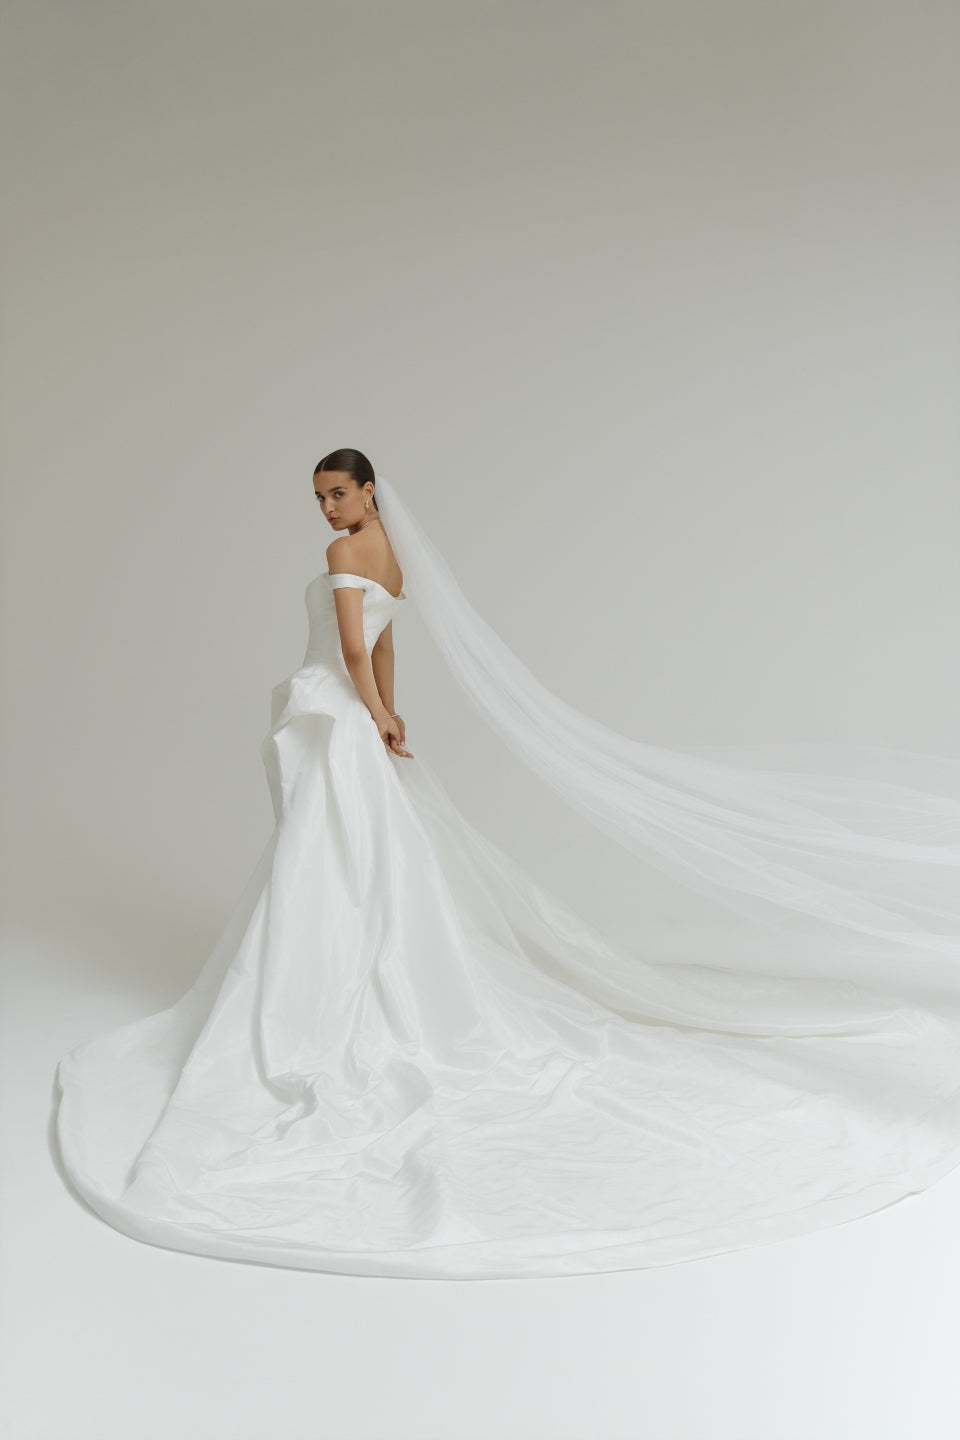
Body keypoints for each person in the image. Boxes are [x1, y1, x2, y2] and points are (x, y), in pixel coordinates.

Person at [55, 449, 960, 1280]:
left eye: (338, 493)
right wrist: (391, 715)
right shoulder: (392, 558)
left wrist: (372, 714)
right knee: (347, 855)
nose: (327, 509)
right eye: (318, 499)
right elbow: (387, 644)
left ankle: (316, 992)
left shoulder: (343, 558)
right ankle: (346, 975)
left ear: (369, 490)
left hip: (334, 713)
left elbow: (355, 648)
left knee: (322, 855)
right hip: (355, 718)